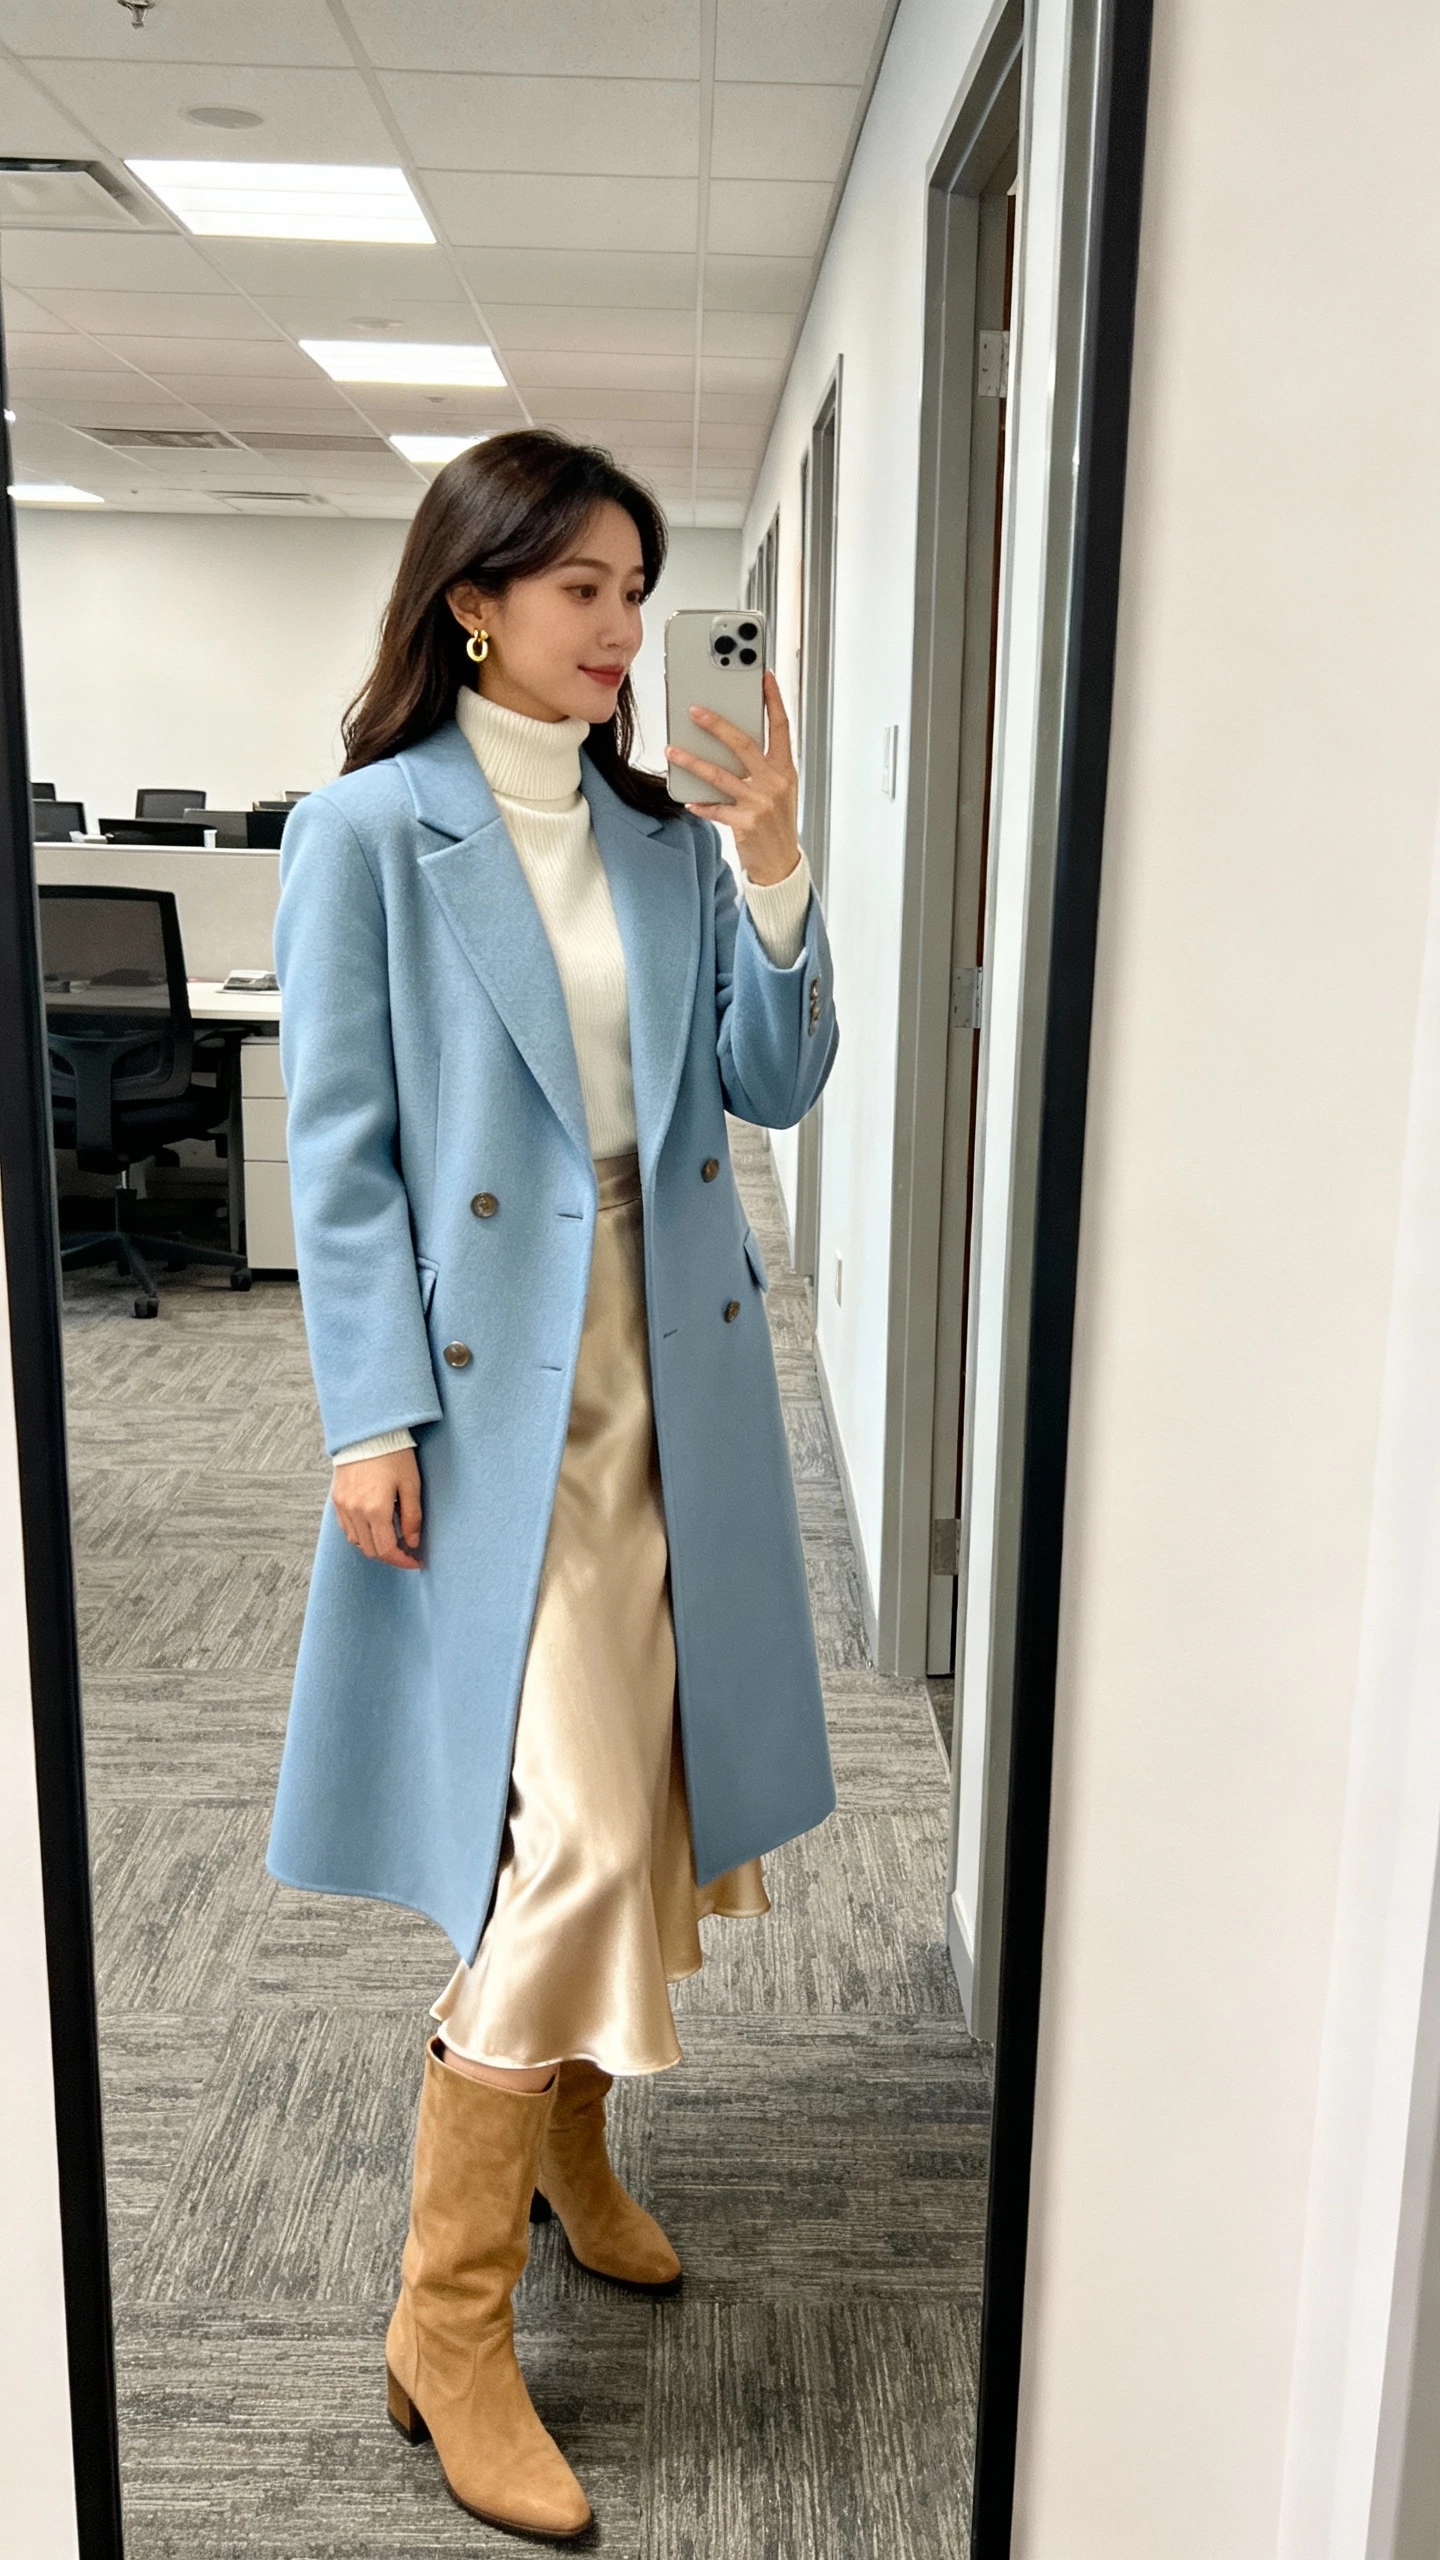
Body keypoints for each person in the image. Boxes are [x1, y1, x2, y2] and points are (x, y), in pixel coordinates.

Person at [267, 428, 839, 2541]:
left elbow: (774, 1078)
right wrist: (363, 1407)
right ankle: (447, 2317)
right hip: (491, 1385)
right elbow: (340, 1147)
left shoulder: (673, 836)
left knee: (653, 1789)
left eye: (640, 588)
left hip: (668, 1363)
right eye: (583, 587)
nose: (621, 628)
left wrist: (775, 853)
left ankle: (578, 2143)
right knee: (575, 1830)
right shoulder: (369, 832)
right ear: (472, 600)